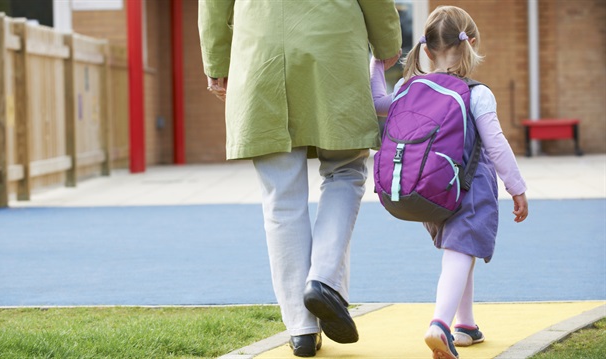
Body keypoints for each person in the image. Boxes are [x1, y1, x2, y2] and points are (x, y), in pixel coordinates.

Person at [198, 1, 402, 357]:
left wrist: (216, 61)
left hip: (260, 51)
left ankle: (302, 329)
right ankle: (323, 280)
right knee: (345, 171)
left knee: (281, 196)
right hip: (333, 47)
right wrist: (387, 43)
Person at [370, 6, 529, 359]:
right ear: (471, 43)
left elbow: (378, 103)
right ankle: (440, 324)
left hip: (432, 188)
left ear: (426, 50)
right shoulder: (476, 93)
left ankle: (465, 324)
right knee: (461, 251)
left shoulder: (408, 86)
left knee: (461, 250)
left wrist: (377, 64)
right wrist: (516, 187)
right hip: (470, 188)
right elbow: (496, 144)